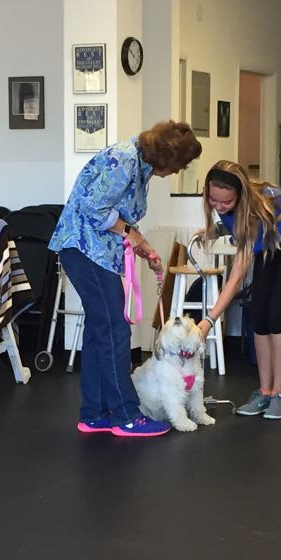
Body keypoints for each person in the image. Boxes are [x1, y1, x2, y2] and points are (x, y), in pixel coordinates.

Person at [50, 120, 202, 437]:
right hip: (83, 249)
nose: (178, 171)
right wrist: (131, 234)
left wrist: (141, 244)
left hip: (98, 252)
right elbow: (92, 207)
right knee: (114, 329)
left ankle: (94, 414)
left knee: (98, 331)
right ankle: (125, 415)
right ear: (168, 157)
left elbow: (118, 215)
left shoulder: (139, 165)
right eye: (181, 164)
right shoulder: (124, 159)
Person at [195, 160, 281, 420]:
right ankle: (264, 391)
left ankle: (279, 394)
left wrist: (209, 319)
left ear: (240, 195)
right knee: (257, 314)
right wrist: (216, 228)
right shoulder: (224, 202)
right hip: (269, 238)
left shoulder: (254, 208)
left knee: (276, 313)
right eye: (213, 200)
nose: (219, 206)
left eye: (226, 203)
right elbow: (232, 223)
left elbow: (237, 274)